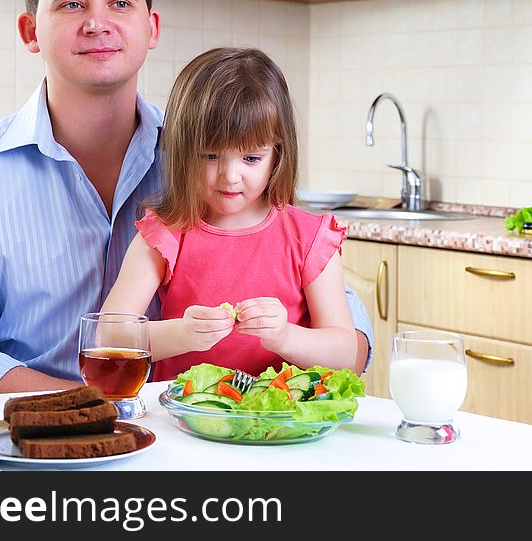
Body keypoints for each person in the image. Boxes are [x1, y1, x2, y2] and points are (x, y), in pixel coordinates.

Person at [0, 0, 372, 398]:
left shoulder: (213, 154)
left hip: (205, 430)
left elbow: (334, 318)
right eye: (72, 4)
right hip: (36, 435)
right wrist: (92, 412)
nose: (97, 22)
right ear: (31, 31)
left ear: (151, 28)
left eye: (120, 3)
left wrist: (300, 340)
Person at [101, 48, 356, 379]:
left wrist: (285, 336)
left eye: (251, 158)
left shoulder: (309, 238)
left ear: (278, 155)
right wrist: (181, 335)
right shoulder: (164, 233)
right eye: (210, 156)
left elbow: (345, 354)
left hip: (284, 421)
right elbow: (107, 335)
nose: (230, 176)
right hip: (185, 418)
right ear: (182, 151)